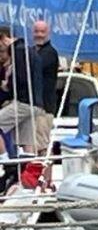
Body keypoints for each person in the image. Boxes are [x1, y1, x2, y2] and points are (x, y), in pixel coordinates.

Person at [0, 27, 50, 155]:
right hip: (36, 103)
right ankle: (29, 169)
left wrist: (7, 84)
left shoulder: (18, 52)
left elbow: (21, 78)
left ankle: (5, 160)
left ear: (3, 39)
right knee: (27, 141)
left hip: (24, 102)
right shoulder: (29, 50)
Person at [33, 21, 59, 115]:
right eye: (36, 31)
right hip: (32, 106)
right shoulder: (31, 51)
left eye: (42, 32)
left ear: (48, 33)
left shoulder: (50, 53)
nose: (39, 34)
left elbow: (34, 67)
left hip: (45, 108)